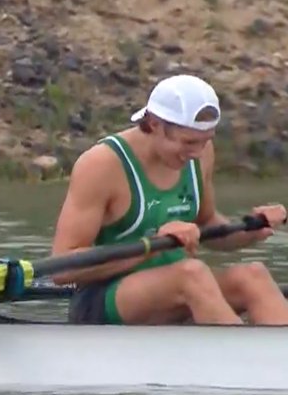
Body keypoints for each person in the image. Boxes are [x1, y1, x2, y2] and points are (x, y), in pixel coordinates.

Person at [50, 74, 288, 325]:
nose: (197, 152)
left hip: (182, 288)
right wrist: (151, 246)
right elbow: (63, 268)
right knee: (192, 274)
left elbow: (207, 225)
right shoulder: (101, 164)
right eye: (189, 142)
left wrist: (253, 229)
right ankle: (239, 357)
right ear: (154, 124)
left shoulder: (201, 154)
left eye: (205, 141)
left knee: (253, 276)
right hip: (102, 300)